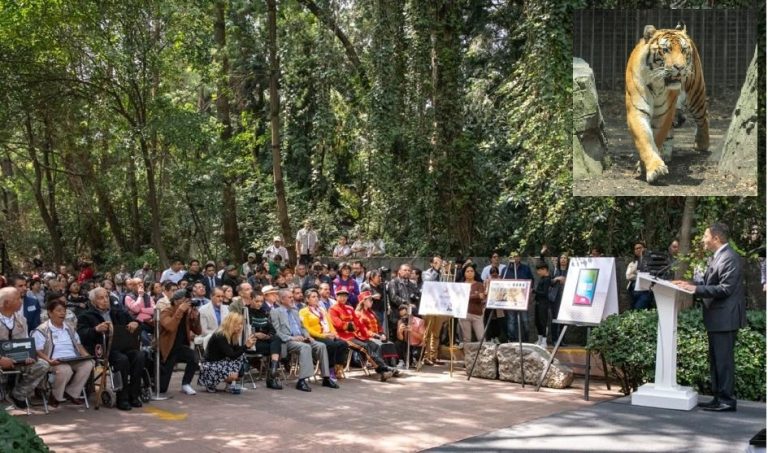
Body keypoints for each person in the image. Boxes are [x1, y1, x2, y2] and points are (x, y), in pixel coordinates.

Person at [673, 223, 746, 412]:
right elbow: (708, 283)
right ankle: (718, 397)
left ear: (716, 238)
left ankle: (727, 401)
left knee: (724, 361)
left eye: (705, 236)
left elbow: (725, 288)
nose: (703, 240)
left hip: (725, 319)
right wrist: (688, 284)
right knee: (716, 361)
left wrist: (696, 289)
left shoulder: (729, 257)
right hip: (717, 318)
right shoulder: (718, 257)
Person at [78, 287, 145, 410]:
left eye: (106, 297)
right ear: (93, 301)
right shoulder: (86, 315)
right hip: (103, 348)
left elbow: (136, 323)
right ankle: (122, 398)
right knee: (122, 359)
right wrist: (95, 329)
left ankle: (134, 395)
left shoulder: (118, 311)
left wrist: (136, 323)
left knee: (139, 356)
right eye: (101, 298)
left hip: (123, 345)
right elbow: (81, 335)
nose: (105, 300)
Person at [270, 289, 338, 391]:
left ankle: (326, 378)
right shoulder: (276, 312)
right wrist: (292, 338)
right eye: (289, 297)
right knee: (305, 347)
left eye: (292, 297)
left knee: (321, 346)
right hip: (288, 341)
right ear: (282, 299)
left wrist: (307, 336)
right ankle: (302, 380)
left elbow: (302, 327)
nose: (292, 299)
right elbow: (277, 331)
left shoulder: (294, 311)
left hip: (301, 338)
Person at [33, 299, 95, 408]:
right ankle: (55, 396)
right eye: (59, 310)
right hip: (54, 360)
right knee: (65, 370)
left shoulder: (69, 328)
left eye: (64, 311)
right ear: (50, 313)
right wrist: (49, 360)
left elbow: (79, 345)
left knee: (88, 364)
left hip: (73, 358)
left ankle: (71, 392)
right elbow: (37, 350)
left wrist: (86, 355)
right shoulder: (42, 330)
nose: (63, 313)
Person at [329, 288, 397, 381]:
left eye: (345, 296)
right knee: (365, 347)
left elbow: (359, 324)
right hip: (344, 337)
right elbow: (338, 324)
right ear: (336, 297)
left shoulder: (350, 308)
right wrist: (351, 325)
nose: (343, 298)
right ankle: (384, 369)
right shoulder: (333, 309)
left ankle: (383, 370)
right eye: (341, 295)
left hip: (355, 336)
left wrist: (367, 335)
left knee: (374, 345)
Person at [0, 287, 50, 409]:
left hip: (18, 359)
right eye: (17, 299)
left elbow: (26, 342)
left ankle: (18, 394)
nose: (21, 302)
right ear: (7, 303)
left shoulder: (22, 320)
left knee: (42, 365)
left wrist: (29, 356)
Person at [228, 288, 283, 389]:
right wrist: (255, 334)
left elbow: (272, 330)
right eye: (257, 301)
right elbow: (242, 330)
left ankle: (273, 370)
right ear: (251, 299)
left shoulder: (264, 312)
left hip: (264, 341)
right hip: (251, 343)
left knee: (276, 339)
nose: (259, 304)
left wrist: (265, 336)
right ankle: (272, 377)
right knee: (276, 347)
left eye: (261, 301)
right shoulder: (245, 311)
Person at [198, 312, 257, 393]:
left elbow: (237, 351)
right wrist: (246, 346)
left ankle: (229, 384)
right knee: (234, 374)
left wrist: (248, 345)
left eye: (241, 324)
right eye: (238, 324)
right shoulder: (220, 335)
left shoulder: (233, 335)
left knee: (241, 356)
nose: (240, 327)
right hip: (210, 365)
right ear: (231, 323)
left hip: (221, 362)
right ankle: (210, 383)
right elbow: (232, 355)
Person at [158, 290, 202, 395]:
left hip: (180, 348)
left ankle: (186, 384)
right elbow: (170, 327)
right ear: (177, 301)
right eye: (185, 301)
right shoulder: (166, 311)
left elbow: (198, 331)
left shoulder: (187, 313)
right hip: (167, 350)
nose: (188, 303)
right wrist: (180, 311)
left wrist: (195, 318)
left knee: (194, 357)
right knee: (162, 389)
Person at [299, 289, 349, 380]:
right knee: (331, 345)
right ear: (307, 299)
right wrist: (324, 336)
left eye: (317, 296)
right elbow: (306, 329)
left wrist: (334, 333)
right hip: (316, 336)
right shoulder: (303, 311)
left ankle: (338, 368)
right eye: (313, 297)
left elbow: (329, 323)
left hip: (328, 334)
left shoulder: (321, 309)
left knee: (343, 344)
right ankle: (329, 370)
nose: (316, 298)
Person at [501, 251, 534, 343]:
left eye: (516, 256)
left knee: (525, 320)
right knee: (511, 320)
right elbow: (502, 283)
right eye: (512, 256)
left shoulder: (525, 268)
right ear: (509, 258)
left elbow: (532, 281)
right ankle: (512, 340)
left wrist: (530, 290)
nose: (514, 258)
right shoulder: (505, 270)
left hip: (522, 299)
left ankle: (526, 340)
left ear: (519, 257)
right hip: (510, 299)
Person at [458, 265, 485, 344]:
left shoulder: (479, 284)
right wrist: (476, 295)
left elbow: (482, 297)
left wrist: (467, 296)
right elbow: (460, 298)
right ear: (464, 274)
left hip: (477, 314)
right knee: (466, 339)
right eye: (467, 271)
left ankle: (484, 355)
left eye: (472, 271)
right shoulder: (461, 285)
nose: (470, 273)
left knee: (481, 338)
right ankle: (468, 356)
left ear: (474, 273)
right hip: (464, 314)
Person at [533, 261, 554, 348]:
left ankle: (544, 341)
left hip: (543, 304)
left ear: (544, 269)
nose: (538, 272)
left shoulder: (547, 279)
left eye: (539, 270)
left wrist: (534, 291)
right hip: (538, 303)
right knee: (537, 322)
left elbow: (544, 293)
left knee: (543, 322)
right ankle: (540, 339)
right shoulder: (542, 278)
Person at [626, 241, 652, 310]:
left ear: (644, 249)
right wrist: (638, 274)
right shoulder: (632, 263)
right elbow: (628, 276)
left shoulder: (650, 261)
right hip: (633, 290)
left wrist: (637, 274)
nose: (638, 250)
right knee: (633, 309)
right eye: (636, 249)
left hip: (645, 290)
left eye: (640, 248)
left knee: (639, 309)